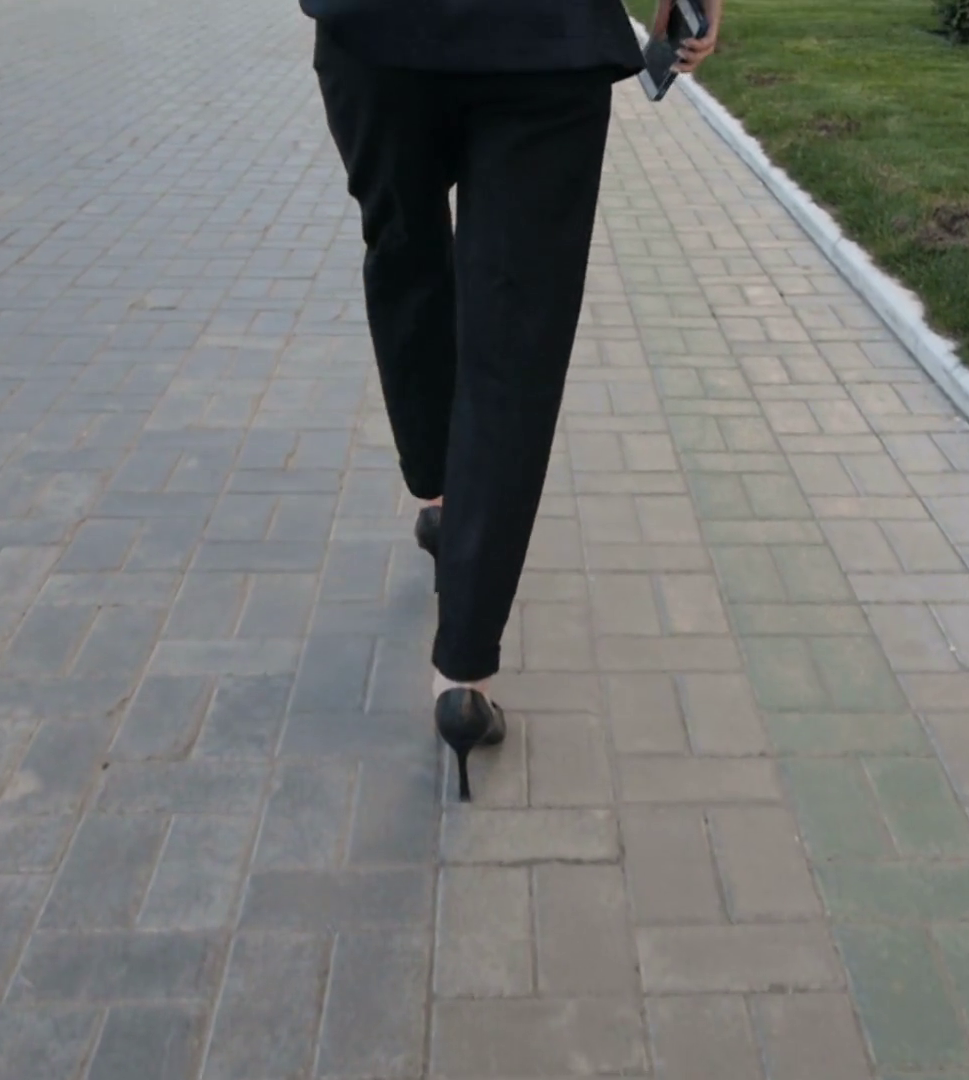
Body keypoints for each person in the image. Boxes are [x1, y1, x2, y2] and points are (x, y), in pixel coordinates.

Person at [300, 0, 721, 799]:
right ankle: (463, 673)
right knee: (516, 342)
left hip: (377, 30)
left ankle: (439, 495)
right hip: (546, 36)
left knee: (405, 262)